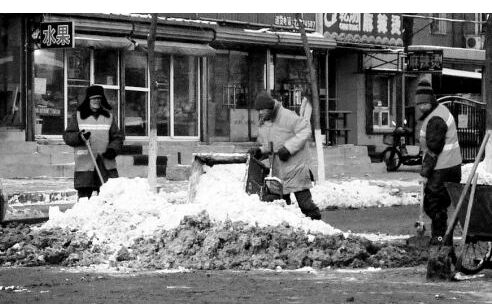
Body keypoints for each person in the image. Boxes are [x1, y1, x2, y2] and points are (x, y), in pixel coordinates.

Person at [249, 90, 321, 220]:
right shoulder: (266, 122)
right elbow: (272, 145)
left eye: (262, 110)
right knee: (281, 206)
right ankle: (287, 231)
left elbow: (305, 131)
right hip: (280, 171)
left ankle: (319, 227)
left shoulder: (287, 116)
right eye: (258, 110)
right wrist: (261, 151)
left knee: (305, 204)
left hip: (296, 168)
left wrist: (288, 148)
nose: (260, 113)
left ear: (270, 108)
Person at [416, 79, 462, 244]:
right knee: (438, 204)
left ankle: (440, 238)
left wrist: (424, 173)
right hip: (449, 167)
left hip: (443, 168)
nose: (421, 107)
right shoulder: (437, 112)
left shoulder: (436, 119)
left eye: (424, 103)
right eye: (419, 104)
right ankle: (442, 238)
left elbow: (434, 148)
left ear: (431, 101)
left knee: (434, 204)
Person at [63, 85, 124, 199]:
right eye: (94, 98)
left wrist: (113, 149)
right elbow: (67, 136)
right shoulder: (78, 116)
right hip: (85, 164)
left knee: (108, 198)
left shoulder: (109, 117)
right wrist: (80, 137)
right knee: (84, 200)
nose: (97, 101)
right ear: (88, 99)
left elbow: (118, 137)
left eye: (99, 98)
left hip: (105, 163)